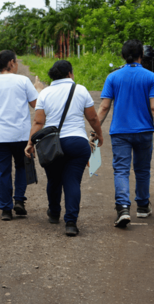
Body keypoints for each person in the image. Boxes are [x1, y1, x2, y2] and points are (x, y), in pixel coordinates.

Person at [93, 39, 154, 228]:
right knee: (142, 170)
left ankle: (123, 209)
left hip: (120, 132)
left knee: (121, 170)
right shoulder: (152, 78)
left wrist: (95, 130)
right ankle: (143, 207)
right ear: (141, 56)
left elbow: (103, 107)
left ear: (123, 56)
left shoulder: (113, 77)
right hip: (144, 132)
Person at [26, 60, 103, 236]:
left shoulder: (45, 93)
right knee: (72, 181)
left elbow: (38, 122)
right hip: (77, 142)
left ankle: (54, 213)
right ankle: (71, 223)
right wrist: (99, 135)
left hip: (51, 144)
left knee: (54, 179)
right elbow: (93, 119)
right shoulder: (81, 90)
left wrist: (30, 144)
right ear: (70, 73)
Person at [0, 50, 40, 221]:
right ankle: (19, 200)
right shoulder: (23, 81)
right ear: (12, 63)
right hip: (21, 135)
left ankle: (6, 209)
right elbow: (37, 106)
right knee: (21, 167)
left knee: (2, 172)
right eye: (17, 62)